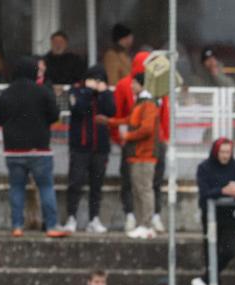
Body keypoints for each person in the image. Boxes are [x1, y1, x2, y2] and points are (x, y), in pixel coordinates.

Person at [0, 56, 69, 238]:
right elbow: (54, 115)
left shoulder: (7, 93)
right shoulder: (42, 92)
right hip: (39, 149)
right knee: (45, 186)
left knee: (17, 187)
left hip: (13, 150)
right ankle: (51, 226)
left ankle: (17, 226)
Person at [110, 51, 171, 234]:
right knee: (133, 182)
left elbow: (164, 115)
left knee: (151, 182)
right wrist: (119, 137)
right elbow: (120, 113)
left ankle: (151, 217)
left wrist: (164, 137)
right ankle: (134, 215)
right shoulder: (124, 85)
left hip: (150, 142)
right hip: (134, 143)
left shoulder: (158, 87)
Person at [103, 72, 160, 239]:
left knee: (144, 190)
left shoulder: (148, 104)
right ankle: (142, 223)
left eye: (134, 83)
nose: (131, 86)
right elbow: (130, 120)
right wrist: (110, 122)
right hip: (136, 154)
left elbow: (146, 129)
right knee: (138, 190)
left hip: (144, 154)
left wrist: (127, 136)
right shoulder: (140, 103)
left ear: (142, 85)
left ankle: (146, 224)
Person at [191, 137, 235, 285]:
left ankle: (203, 280)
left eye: (228, 152)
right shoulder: (205, 167)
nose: (225, 156)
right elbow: (204, 192)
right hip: (210, 217)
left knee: (229, 250)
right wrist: (222, 190)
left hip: (228, 216)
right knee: (211, 253)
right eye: (222, 152)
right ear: (216, 152)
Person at [63, 64, 116, 234]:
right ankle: (71, 216)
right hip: (80, 147)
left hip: (100, 148)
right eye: (93, 79)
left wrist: (104, 92)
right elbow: (78, 109)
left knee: (96, 185)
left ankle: (94, 218)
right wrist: (88, 91)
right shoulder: (76, 91)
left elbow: (111, 111)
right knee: (75, 182)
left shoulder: (106, 94)